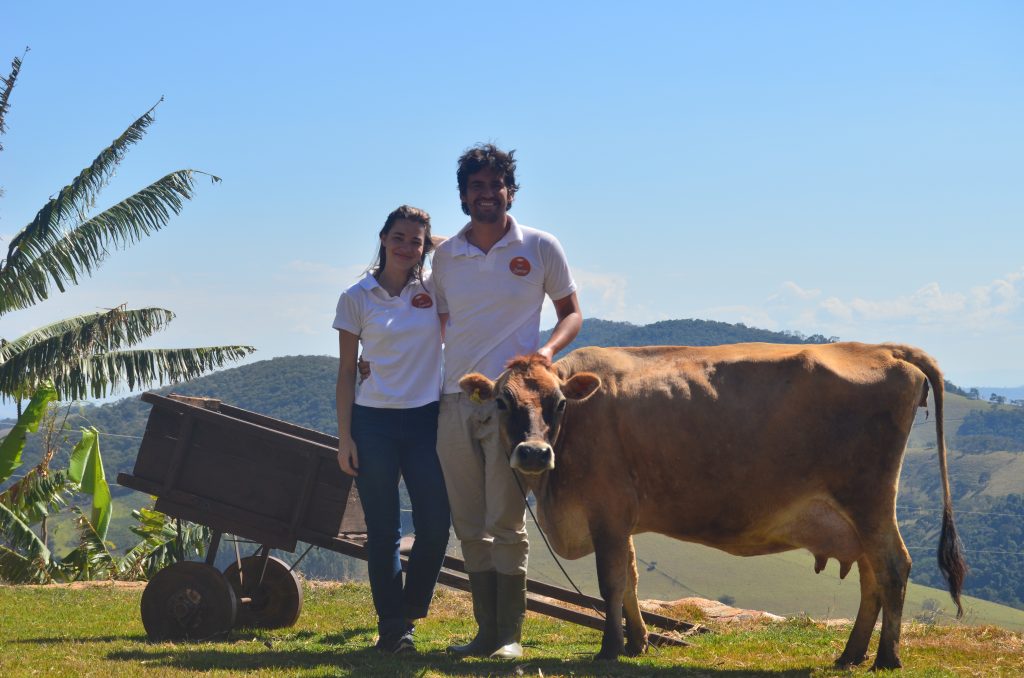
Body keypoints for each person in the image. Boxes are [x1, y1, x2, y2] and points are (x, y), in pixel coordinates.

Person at [433, 144, 582, 658]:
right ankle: (484, 634)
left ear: (509, 192)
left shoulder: (541, 246)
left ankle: (510, 639)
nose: (486, 194)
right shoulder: (446, 255)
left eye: (495, 185)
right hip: (454, 400)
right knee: (469, 524)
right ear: (463, 196)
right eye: (476, 186)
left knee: (506, 521)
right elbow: (438, 320)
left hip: (514, 408)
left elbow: (571, 313)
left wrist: (545, 351)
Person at [334, 205, 451, 654]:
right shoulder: (356, 296)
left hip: (426, 420)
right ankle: (394, 629)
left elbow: (456, 255)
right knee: (382, 532)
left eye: (416, 240)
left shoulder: (434, 289)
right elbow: (347, 371)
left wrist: (435, 242)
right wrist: (345, 437)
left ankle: (410, 609)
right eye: (398, 237)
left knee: (436, 526)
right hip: (373, 422)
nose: (407, 246)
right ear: (383, 238)